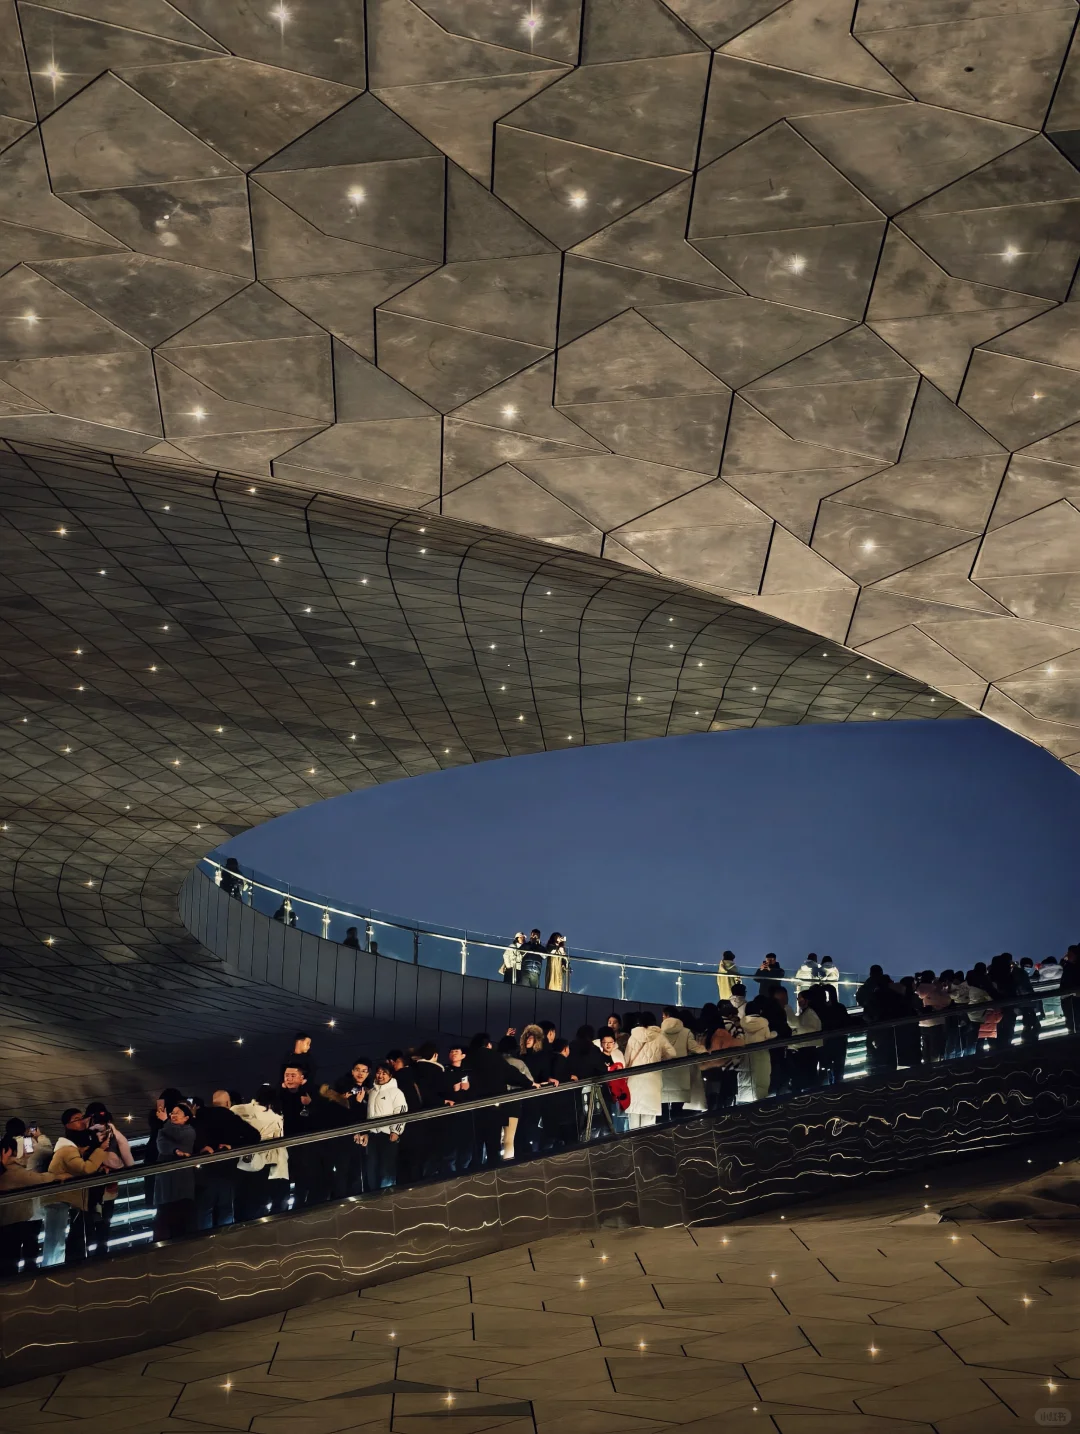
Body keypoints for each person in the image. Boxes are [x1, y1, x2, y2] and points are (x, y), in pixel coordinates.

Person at [465, 1033, 534, 1168]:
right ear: (488, 1045)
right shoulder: (498, 1059)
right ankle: (500, 1170)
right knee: (503, 1142)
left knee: (476, 1143)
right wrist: (529, 1084)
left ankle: (475, 1170)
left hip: (473, 1107)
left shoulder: (469, 1058)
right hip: (501, 1104)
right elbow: (514, 1075)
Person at [192, 1091, 258, 1230]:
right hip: (227, 1168)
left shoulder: (200, 1117)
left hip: (205, 1169)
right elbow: (254, 1136)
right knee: (226, 1207)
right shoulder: (231, 1118)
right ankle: (225, 1239)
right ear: (228, 1104)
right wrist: (233, 1146)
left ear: (213, 1102)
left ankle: (204, 1240)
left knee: (205, 1209)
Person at [0, 1135, 64, 1277]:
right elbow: (39, 1179)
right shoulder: (11, 1172)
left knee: (9, 1256)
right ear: (10, 1151)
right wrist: (59, 1176)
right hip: (17, 1220)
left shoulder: (7, 1169)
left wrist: (25, 1159)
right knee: (18, 1255)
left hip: (9, 1221)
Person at [84, 1101, 134, 1257]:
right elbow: (127, 1154)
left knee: (91, 1221)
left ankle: (88, 1253)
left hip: (90, 1187)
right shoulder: (113, 1132)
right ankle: (102, 1250)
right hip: (110, 1188)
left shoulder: (86, 1134)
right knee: (105, 1221)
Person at [233, 1086, 287, 1220]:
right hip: (266, 1161)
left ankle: (239, 1225)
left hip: (243, 1157)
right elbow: (279, 1140)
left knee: (242, 1197)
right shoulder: (276, 1116)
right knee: (258, 1198)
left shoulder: (239, 1109)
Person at [623, 1013, 676, 1129]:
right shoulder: (660, 1037)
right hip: (652, 1081)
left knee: (634, 1117)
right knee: (649, 1121)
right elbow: (672, 1053)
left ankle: (633, 1145)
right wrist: (660, 1057)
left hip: (634, 1081)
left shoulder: (633, 1037)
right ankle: (646, 1145)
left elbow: (626, 1060)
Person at [153, 1101, 196, 1241]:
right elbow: (161, 1145)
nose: (173, 1115)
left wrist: (166, 1121)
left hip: (181, 1180)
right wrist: (175, 1150)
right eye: (172, 1113)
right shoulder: (165, 1128)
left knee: (180, 1216)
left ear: (186, 1118)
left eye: (177, 1113)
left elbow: (179, 1135)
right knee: (164, 1215)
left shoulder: (189, 1131)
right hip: (165, 1179)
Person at [364, 1063, 408, 1189]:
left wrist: (396, 1131)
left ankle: (388, 1196)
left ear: (390, 1076)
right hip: (372, 1136)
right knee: (372, 1169)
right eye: (378, 1073)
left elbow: (402, 1111)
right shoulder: (371, 1092)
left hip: (387, 1135)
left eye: (384, 1073)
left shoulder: (396, 1092)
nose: (380, 1076)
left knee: (387, 1168)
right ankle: (373, 1195)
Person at [659, 1007, 705, 1118]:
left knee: (662, 1111)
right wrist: (706, 1051)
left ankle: (662, 1133)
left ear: (667, 1015)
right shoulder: (686, 1032)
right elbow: (695, 1048)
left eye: (663, 1016)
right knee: (677, 1112)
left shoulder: (659, 1033)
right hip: (681, 1075)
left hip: (663, 1075)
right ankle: (676, 1132)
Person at [702, 1001, 743, 1109]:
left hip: (707, 1069)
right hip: (726, 1068)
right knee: (724, 1099)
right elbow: (740, 1043)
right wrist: (739, 1027)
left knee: (711, 1099)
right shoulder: (726, 1027)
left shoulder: (706, 1029)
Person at [788, 988, 824, 1090]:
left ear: (807, 1000)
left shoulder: (811, 1013)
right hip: (809, 1048)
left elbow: (811, 1029)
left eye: (800, 999)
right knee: (809, 1076)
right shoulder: (808, 1012)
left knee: (805, 1076)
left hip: (808, 1049)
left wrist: (794, 1032)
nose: (799, 1002)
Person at [598, 1032, 630, 1132]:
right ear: (601, 1043)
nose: (608, 1045)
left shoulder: (618, 1054)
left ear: (614, 1042)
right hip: (606, 1091)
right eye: (605, 1042)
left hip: (620, 1091)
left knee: (620, 1119)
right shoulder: (598, 1057)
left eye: (610, 1042)